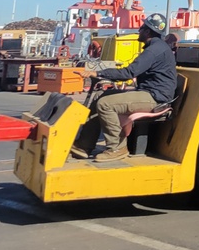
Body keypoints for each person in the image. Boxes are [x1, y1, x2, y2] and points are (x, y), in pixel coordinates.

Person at [72, 13, 177, 161]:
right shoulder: (156, 47)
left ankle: (117, 148)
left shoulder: (154, 50)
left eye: (141, 28)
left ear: (147, 31)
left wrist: (97, 73)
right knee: (98, 96)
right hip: (149, 92)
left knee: (105, 104)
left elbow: (130, 72)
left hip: (155, 97)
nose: (138, 31)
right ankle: (84, 144)